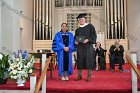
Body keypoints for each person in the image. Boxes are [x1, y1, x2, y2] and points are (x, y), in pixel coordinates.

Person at [75, 13, 97, 82]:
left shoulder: (90, 26)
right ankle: (79, 75)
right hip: (80, 47)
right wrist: (76, 41)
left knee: (89, 60)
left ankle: (89, 75)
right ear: (78, 21)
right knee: (80, 60)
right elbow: (76, 37)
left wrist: (88, 40)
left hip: (88, 46)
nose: (81, 20)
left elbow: (94, 35)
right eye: (80, 20)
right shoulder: (77, 30)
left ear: (85, 19)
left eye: (82, 19)